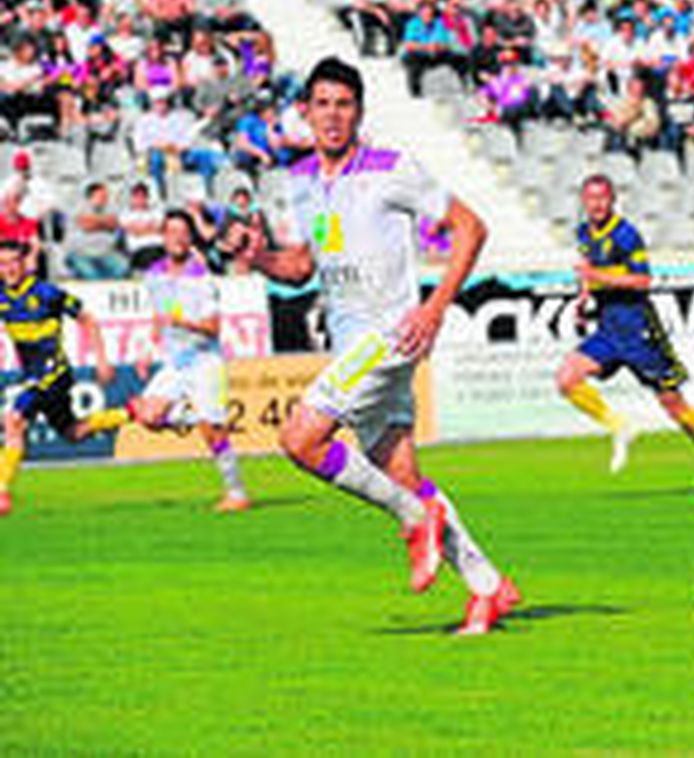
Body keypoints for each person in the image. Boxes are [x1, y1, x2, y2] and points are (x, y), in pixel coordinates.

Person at [237, 57, 519, 635]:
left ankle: (416, 521)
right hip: (349, 346)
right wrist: (259, 257)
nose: (332, 116)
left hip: (390, 333)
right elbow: (302, 268)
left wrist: (435, 306)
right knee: (403, 472)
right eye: (322, 104)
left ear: (359, 113)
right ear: (306, 113)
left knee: (299, 438)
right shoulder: (300, 184)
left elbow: (472, 227)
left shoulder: (393, 168)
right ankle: (490, 587)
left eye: (343, 105)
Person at [555, 174, 694, 497]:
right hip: (609, 329)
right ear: (583, 201)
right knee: (567, 378)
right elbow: (586, 270)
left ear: (612, 200)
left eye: (602, 198)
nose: (596, 204)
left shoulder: (626, 235)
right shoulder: (583, 233)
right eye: (590, 198)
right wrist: (583, 299)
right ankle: (620, 426)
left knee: (672, 404)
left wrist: (597, 277)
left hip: (639, 329)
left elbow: (643, 281)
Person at [127, 211, 251, 513]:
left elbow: (213, 328)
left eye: (183, 232)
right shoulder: (154, 274)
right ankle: (199, 418)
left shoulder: (201, 278)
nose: (177, 238)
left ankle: (236, 493)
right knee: (147, 416)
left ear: (190, 238)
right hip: (175, 361)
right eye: (171, 232)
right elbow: (159, 315)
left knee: (213, 435)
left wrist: (182, 322)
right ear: (163, 236)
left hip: (203, 360)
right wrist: (147, 348)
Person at [0, 243, 128, 516]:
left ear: (25, 264)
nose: (8, 268)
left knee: (14, 420)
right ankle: (129, 413)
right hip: (31, 376)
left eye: (13, 262)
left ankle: (1, 492)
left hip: (53, 373)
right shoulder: (2, 296)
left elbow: (88, 320)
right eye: (3, 263)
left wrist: (102, 360)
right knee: (74, 432)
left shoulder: (45, 293)